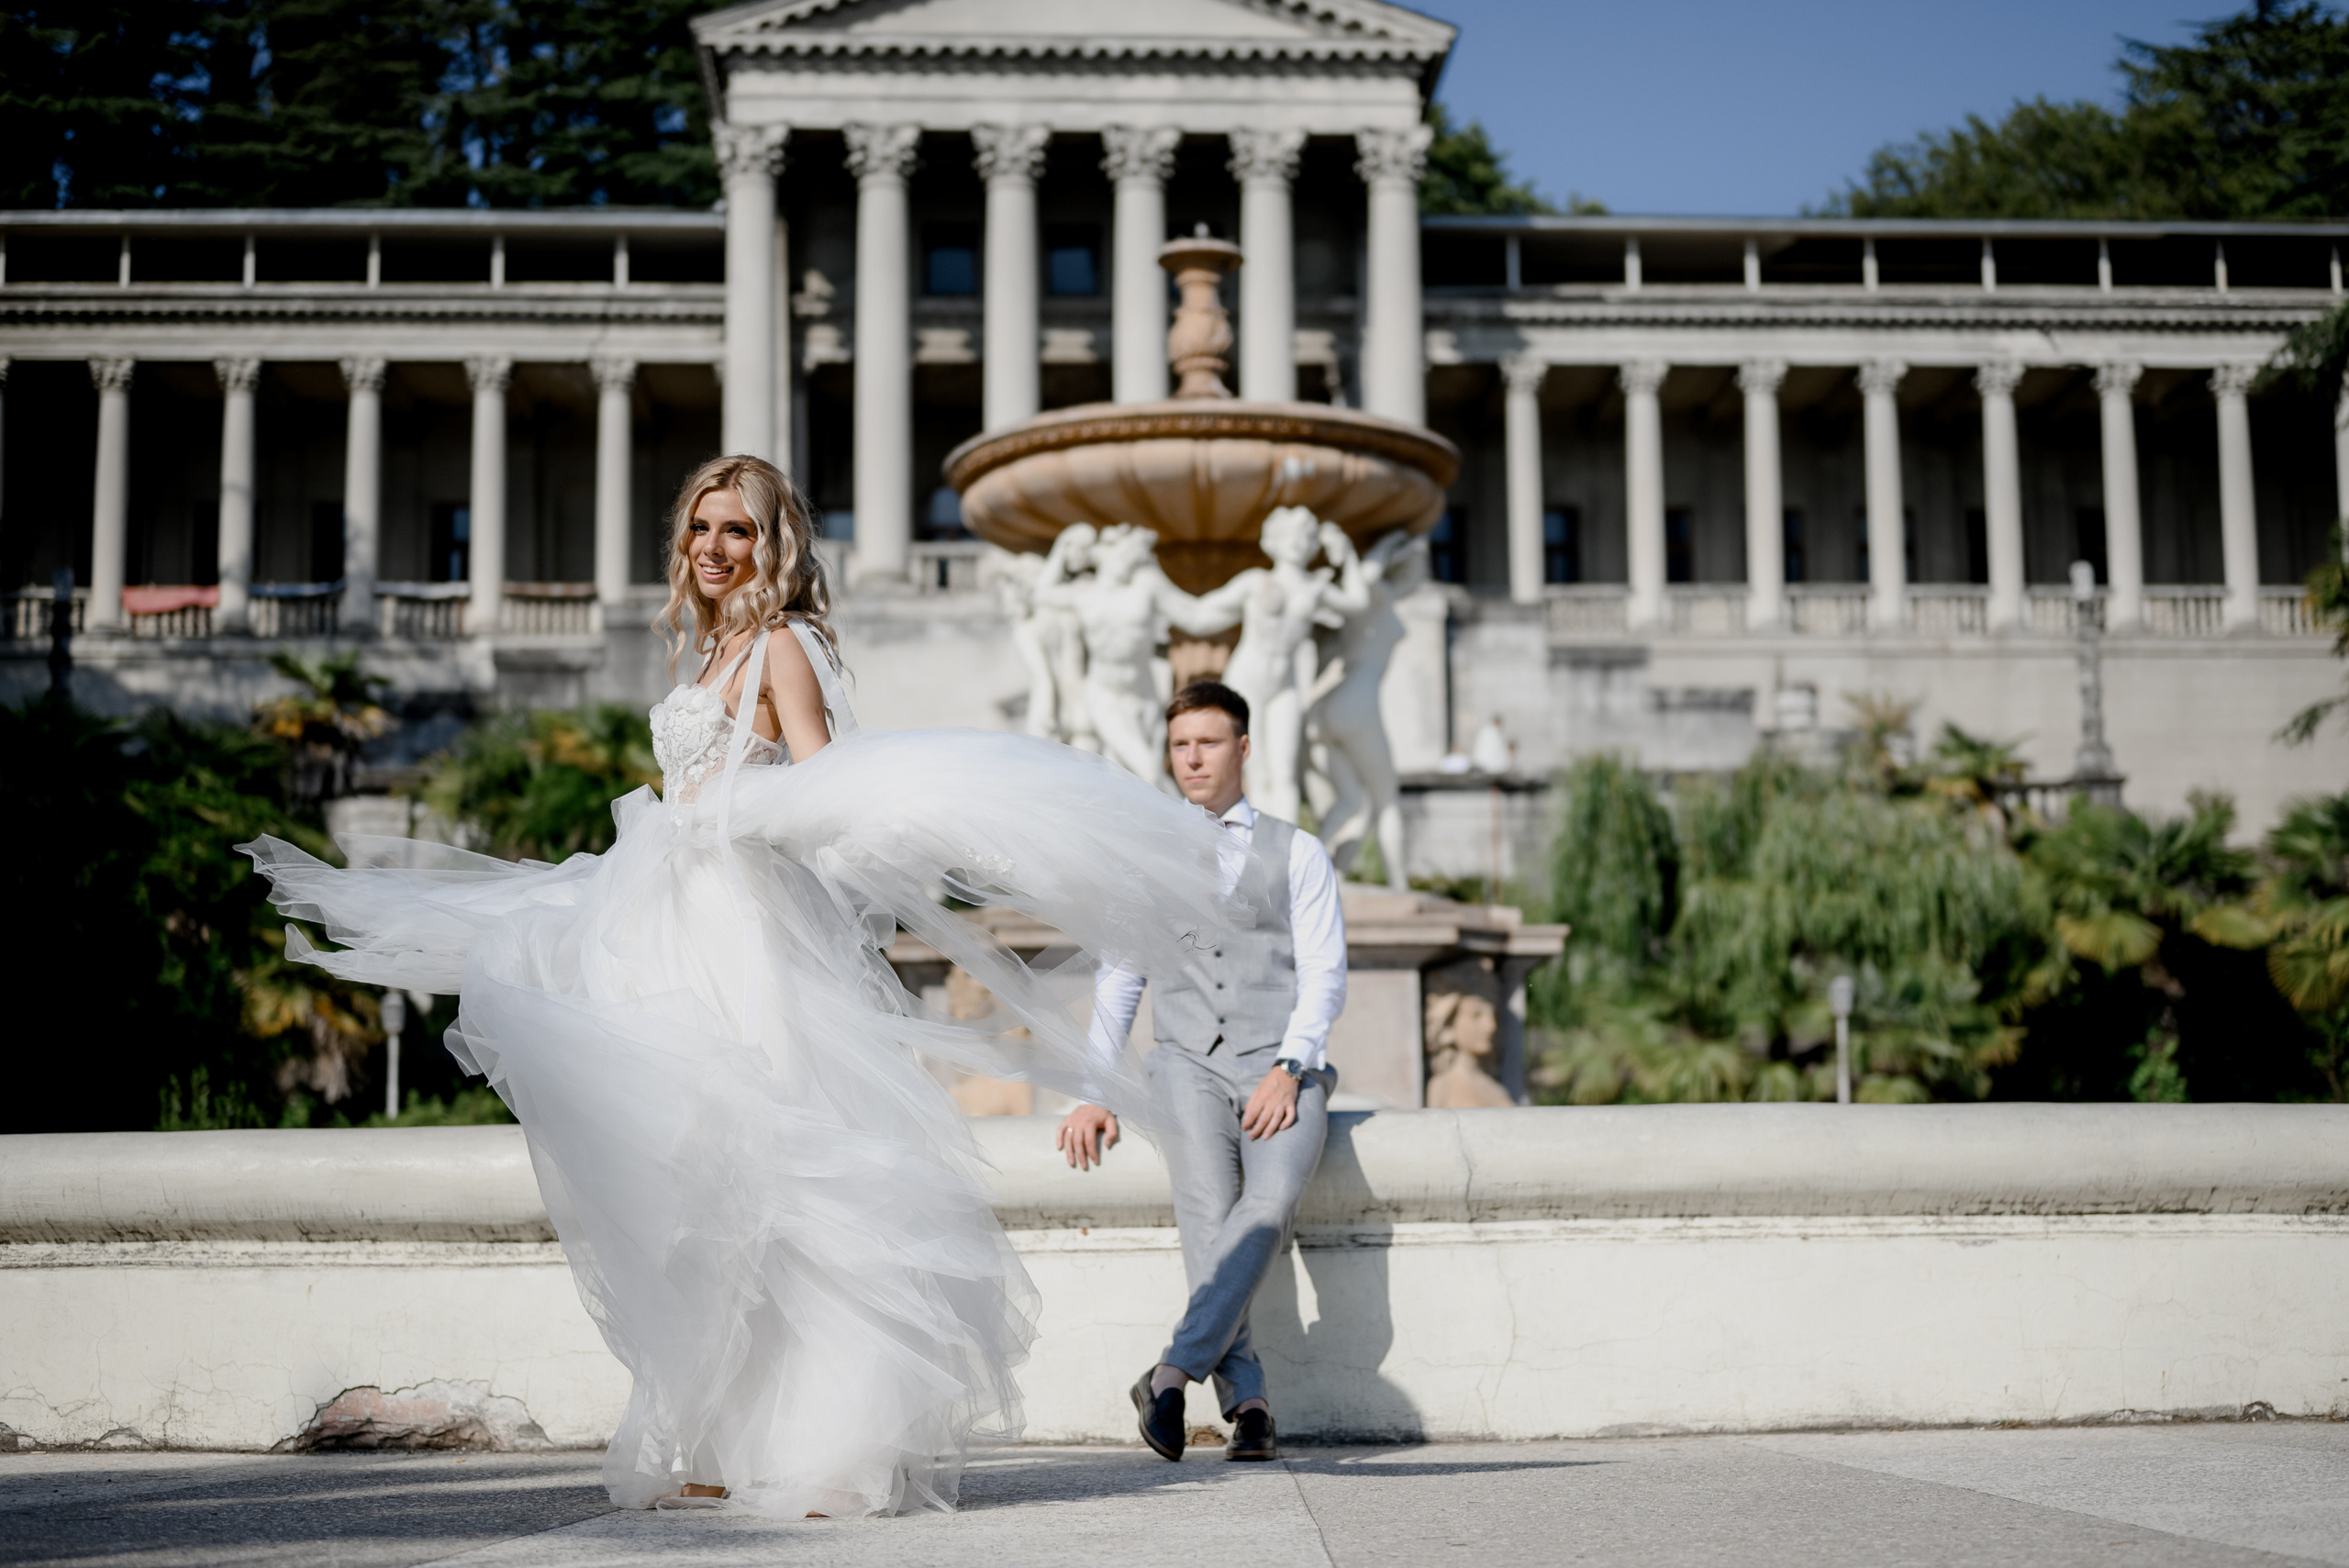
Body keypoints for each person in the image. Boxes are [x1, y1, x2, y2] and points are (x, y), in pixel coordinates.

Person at [238, 456, 1233, 1519]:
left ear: (774, 545)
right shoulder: (709, 647)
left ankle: (840, 1456)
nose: (714, 548)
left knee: (791, 1188)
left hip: (751, 934)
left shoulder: (785, 647)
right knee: (696, 1196)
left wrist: (740, 817)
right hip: (672, 921)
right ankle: (717, 1448)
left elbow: (828, 791)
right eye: (703, 528)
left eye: (739, 532)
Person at [1054, 680, 1348, 1463]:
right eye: (1181, 744)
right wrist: (1094, 1090)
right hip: (1184, 1062)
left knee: (1272, 1200)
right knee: (1210, 1219)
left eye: (1209, 742)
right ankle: (1250, 1405)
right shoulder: (1142, 860)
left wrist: (1291, 1068)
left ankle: (1173, 1373)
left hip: (1278, 1063)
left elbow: (1324, 976)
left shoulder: (1300, 851)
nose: (1192, 758)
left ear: (1243, 748)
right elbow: (1120, 981)